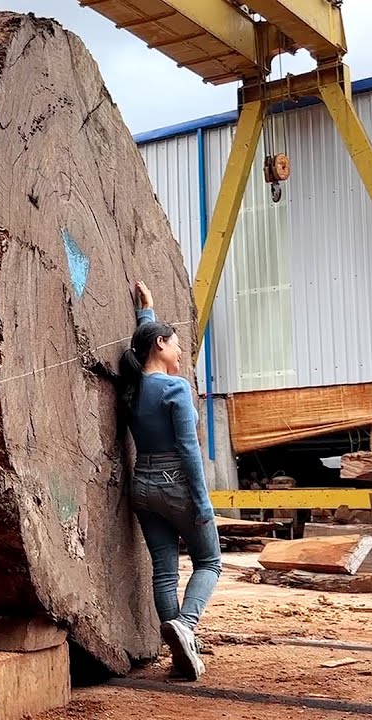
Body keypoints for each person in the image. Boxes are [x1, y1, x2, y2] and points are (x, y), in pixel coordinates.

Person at [119, 281, 221, 681]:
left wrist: (146, 312)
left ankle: (181, 651)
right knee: (210, 562)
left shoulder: (131, 387)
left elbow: (141, 352)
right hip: (177, 482)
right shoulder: (176, 388)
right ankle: (187, 625)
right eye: (177, 343)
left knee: (164, 571)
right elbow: (190, 450)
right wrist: (202, 503)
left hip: (141, 485)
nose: (181, 351)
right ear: (161, 344)